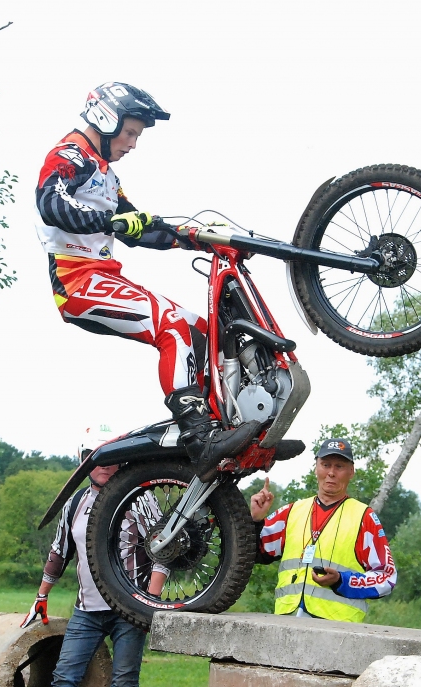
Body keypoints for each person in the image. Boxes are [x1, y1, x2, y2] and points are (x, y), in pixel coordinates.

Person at [34, 82, 260, 480]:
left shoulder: (105, 174)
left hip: (104, 275)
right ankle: (197, 436)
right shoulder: (68, 155)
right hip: (75, 281)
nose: (134, 143)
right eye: (132, 132)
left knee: (198, 329)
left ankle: (224, 428)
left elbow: (138, 229)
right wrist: (110, 221)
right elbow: (51, 203)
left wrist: (194, 238)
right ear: (107, 119)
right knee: (173, 328)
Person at [20, 463, 166, 687]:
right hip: (87, 611)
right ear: (84, 462)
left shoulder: (141, 498)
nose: (105, 467)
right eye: (97, 459)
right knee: (63, 678)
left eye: (112, 460)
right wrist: (41, 596)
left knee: (124, 682)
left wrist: (150, 603)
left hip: (129, 609)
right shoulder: (76, 502)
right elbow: (59, 551)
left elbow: (163, 552)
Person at [248, 438, 397, 622]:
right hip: (286, 624)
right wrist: (256, 520)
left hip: (336, 632)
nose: (331, 473)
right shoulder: (292, 511)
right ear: (316, 467)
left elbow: (386, 578)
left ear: (351, 471)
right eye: (325, 465)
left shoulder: (364, 518)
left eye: (339, 466)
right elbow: (254, 553)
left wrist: (341, 580)